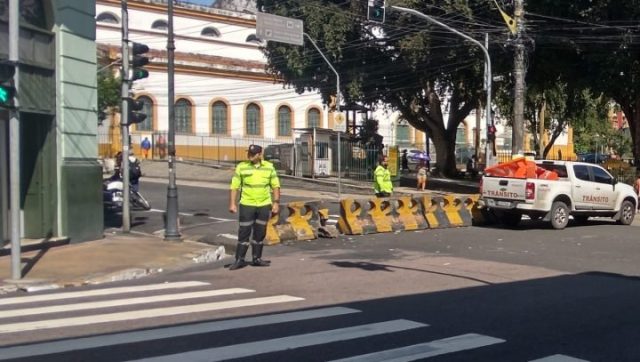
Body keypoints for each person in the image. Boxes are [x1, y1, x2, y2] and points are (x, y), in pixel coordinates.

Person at [228, 144, 280, 270]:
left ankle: (257, 258)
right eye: (249, 154)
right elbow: (234, 186)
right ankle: (239, 259)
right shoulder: (242, 167)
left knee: (260, 232)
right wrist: (232, 203)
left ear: (259, 155)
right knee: (244, 232)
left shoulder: (269, 167)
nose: (250, 156)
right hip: (247, 204)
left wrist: (276, 202)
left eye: (253, 154)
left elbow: (275, 186)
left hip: (263, 204)